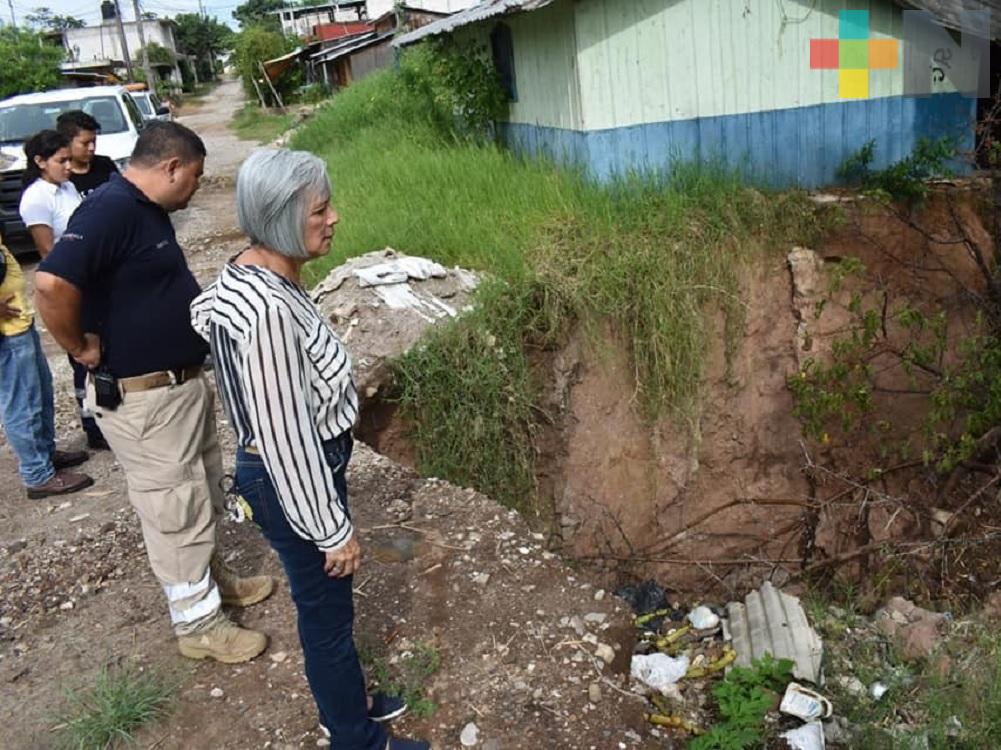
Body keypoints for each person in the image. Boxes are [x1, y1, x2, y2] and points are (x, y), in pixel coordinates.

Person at [190, 148, 429, 750]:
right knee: (326, 615)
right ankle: (353, 735)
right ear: (278, 219)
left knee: (326, 609)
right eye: (320, 209)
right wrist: (330, 528)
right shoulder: (269, 309)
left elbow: (203, 313)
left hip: (288, 471)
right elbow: (284, 436)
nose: (335, 218)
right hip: (291, 476)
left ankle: (349, 702)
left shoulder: (248, 275)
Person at [33, 121, 273, 662]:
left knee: (202, 491)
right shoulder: (111, 208)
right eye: (194, 176)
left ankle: (215, 582)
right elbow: (49, 284)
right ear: (170, 166)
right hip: (145, 400)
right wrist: (78, 347)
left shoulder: (142, 210)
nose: (196, 188)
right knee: (174, 510)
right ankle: (199, 625)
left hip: (177, 388)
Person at [0, 232, 92, 498]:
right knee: (23, 402)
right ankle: (37, 473)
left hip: (18, 323)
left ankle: (45, 454)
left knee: (40, 391)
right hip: (7, 332)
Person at [18, 130, 81, 258]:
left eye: (70, 159)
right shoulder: (36, 198)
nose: (69, 166)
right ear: (40, 161)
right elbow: (47, 251)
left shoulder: (68, 186)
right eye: (61, 161)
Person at [56, 110, 119, 198]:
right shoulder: (59, 175)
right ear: (67, 142)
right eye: (85, 143)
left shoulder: (105, 165)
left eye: (94, 141)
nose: (91, 148)